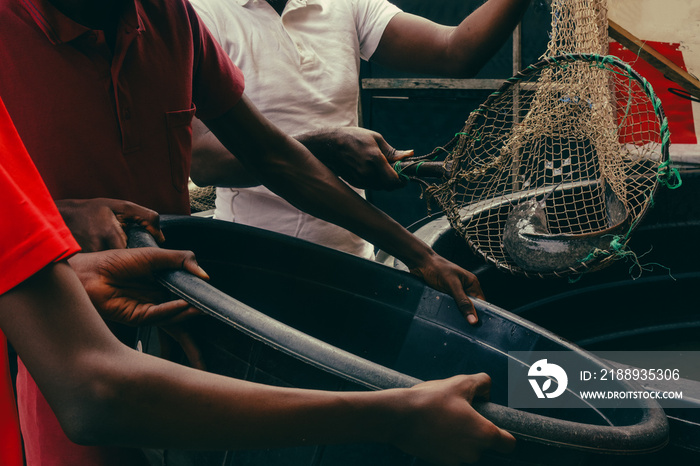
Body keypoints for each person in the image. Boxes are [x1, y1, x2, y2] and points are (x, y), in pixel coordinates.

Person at [1, 0, 487, 463]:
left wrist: (416, 253)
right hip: (54, 327)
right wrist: (54, 217)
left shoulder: (173, 18)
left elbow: (272, 154)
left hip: (191, 310)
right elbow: (96, 396)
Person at [188, 0, 532, 259]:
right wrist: (326, 146)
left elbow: (455, 51)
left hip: (354, 258)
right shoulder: (199, 13)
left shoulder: (344, 3)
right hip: (252, 264)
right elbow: (203, 160)